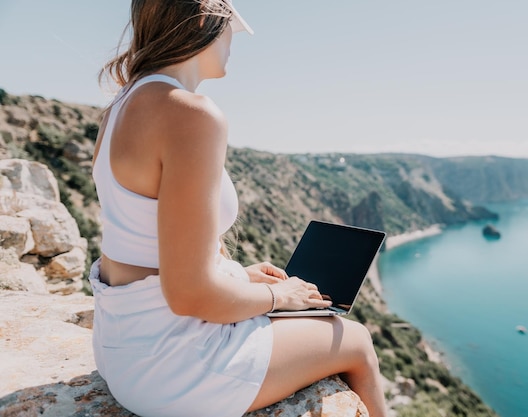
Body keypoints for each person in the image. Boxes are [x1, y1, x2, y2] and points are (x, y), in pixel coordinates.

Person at [90, 1, 387, 416]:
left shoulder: (122, 106)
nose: (235, 40)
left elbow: (140, 247)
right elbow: (190, 295)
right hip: (172, 369)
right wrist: (275, 296)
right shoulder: (190, 113)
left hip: (122, 347)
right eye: (235, 25)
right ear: (204, 22)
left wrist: (235, 276)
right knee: (354, 340)